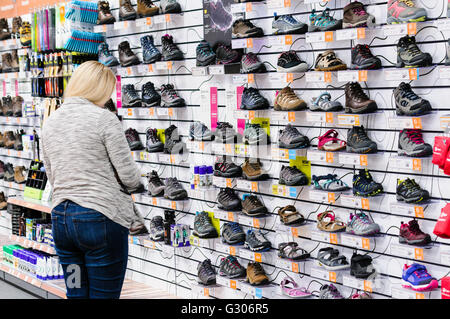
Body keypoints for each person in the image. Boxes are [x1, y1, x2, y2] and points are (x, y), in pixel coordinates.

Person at [42, 61, 146, 299]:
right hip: (100, 222)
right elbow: (128, 175)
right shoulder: (104, 119)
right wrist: (137, 184)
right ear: (99, 89)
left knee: (76, 292)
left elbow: (51, 172)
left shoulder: (51, 122)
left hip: (62, 223)